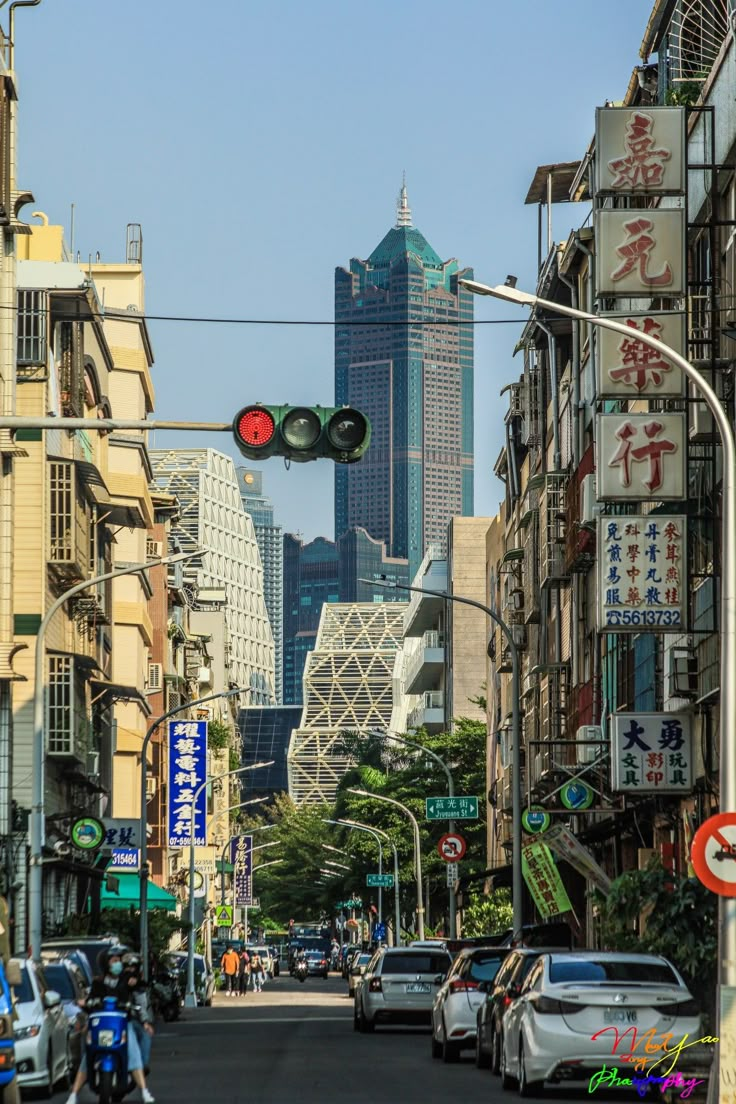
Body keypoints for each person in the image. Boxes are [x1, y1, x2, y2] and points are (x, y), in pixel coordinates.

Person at [65, 945, 154, 1104]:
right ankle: (73, 1095)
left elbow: (140, 984)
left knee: (132, 1051)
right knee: (88, 1055)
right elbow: (89, 1002)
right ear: (106, 964)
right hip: (101, 1026)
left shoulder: (126, 979)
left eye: (119, 960)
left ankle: (144, 1091)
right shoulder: (98, 984)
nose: (118, 963)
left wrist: (136, 983)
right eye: (114, 961)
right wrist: (84, 1005)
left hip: (121, 1025)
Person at [123, 953, 154, 1072]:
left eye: (132, 967)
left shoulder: (139, 985)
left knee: (145, 1034)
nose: (130, 970)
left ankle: (141, 1065)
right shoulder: (110, 981)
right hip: (112, 1019)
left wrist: (145, 1022)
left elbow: (142, 1005)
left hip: (131, 1019)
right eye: (127, 967)